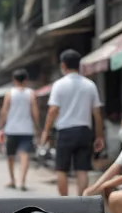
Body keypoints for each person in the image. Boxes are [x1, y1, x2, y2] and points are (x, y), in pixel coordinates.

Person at [40, 49, 105, 196]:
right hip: (84, 131)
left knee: (61, 169)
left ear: (63, 65)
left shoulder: (59, 85)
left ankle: (65, 203)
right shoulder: (90, 85)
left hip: (65, 131)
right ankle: (80, 202)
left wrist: (46, 131)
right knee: (82, 169)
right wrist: (99, 136)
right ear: (79, 65)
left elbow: (52, 111)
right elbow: (97, 114)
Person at [0, 68, 40, 191]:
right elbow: (35, 112)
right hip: (27, 130)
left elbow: (4, 111)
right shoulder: (31, 93)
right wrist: (37, 127)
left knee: (10, 155)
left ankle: (12, 180)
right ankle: (23, 181)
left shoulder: (9, 93)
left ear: (14, 80)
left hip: (11, 129)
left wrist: (1, 126)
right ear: (26, 80)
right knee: (24, 155)